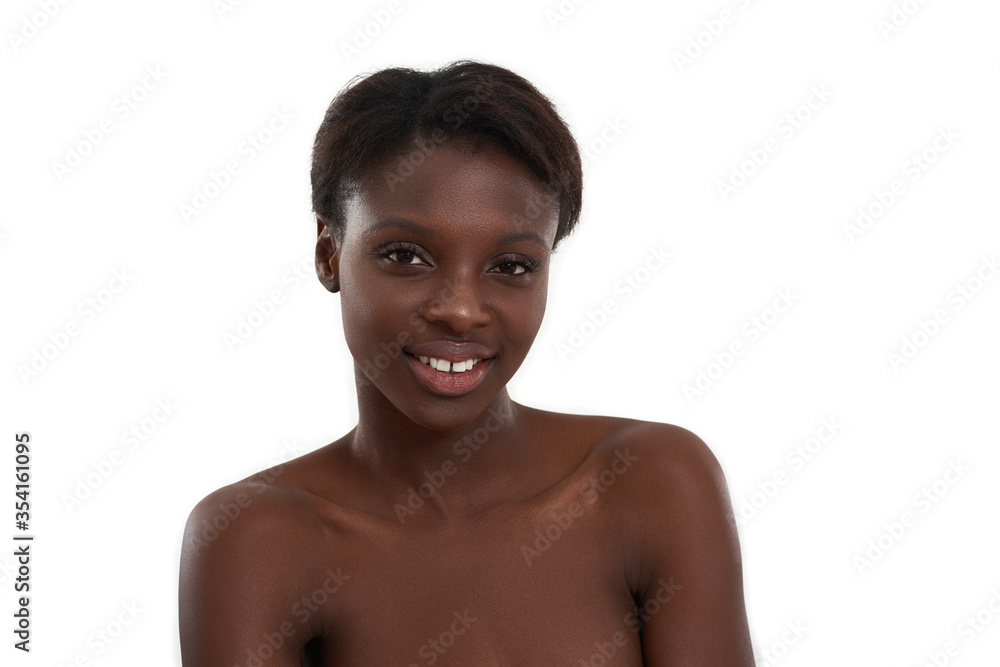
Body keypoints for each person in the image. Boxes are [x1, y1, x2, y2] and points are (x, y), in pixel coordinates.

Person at [179, 60, 755, 666]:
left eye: (511, 266)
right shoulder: (258, 539)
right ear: (329, 254)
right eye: (406, 255)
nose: (460, 310)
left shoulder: (651, 483)